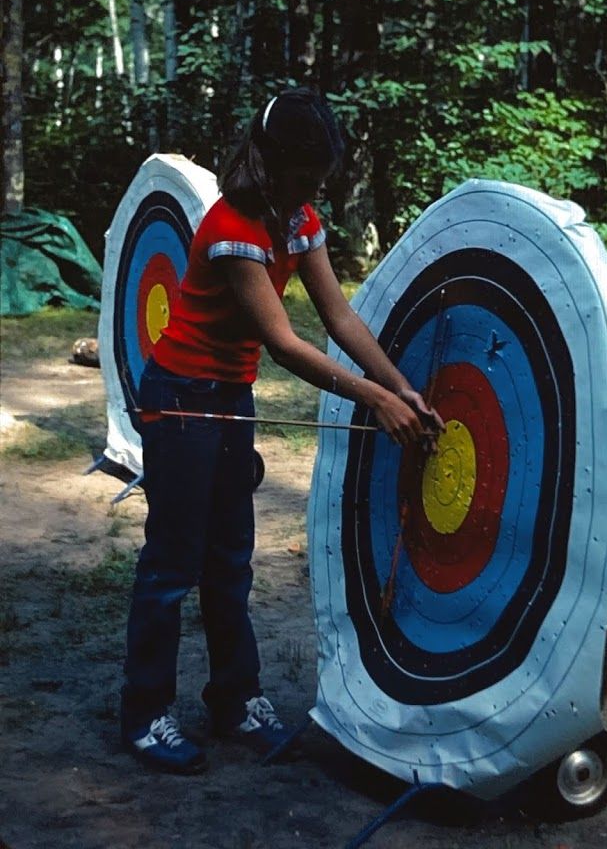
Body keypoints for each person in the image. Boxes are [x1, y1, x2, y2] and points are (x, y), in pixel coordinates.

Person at [120, 87, 443, 775]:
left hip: (227, 396)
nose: (313, 189)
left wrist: (399, 387)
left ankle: (235, 702)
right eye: (305, 175)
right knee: (174, 564)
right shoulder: (233, 227)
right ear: (271, 162)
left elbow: (340, 319)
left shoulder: (297, 218)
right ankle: (145, 713)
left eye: (320, 179)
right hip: (182, 399)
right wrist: (369, 401)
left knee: (231, 558)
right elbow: (283, 342)